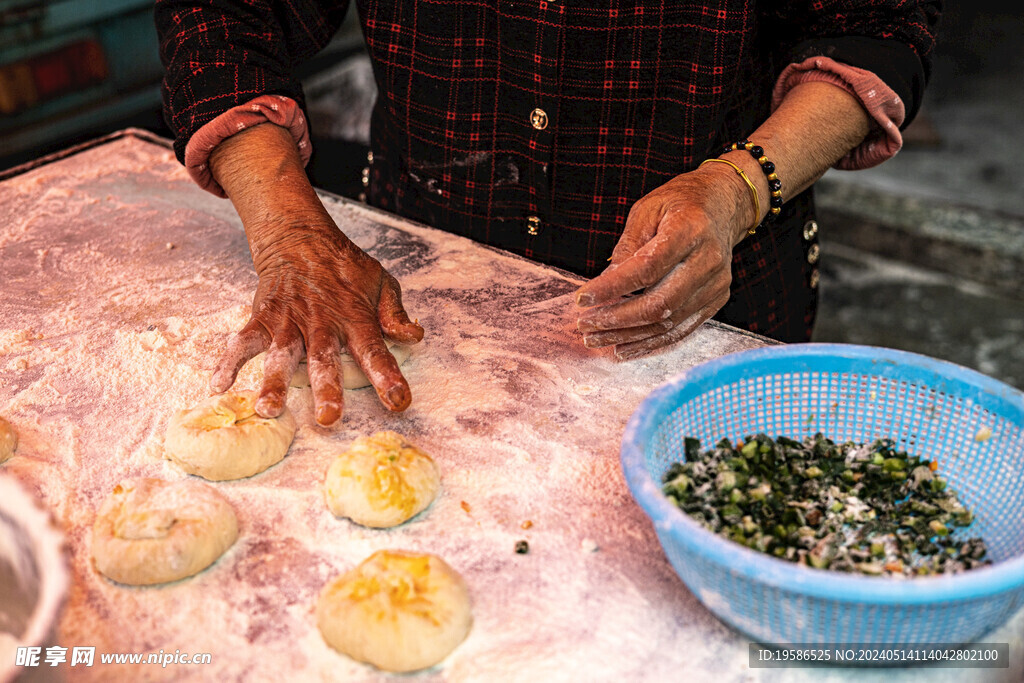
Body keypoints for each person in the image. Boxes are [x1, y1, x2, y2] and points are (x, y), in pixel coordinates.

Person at [155, 0, 941, 426]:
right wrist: (289, 228)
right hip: (420, 294)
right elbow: (224, 16)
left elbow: (875, 28)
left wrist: (737, 188)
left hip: (704, 292)